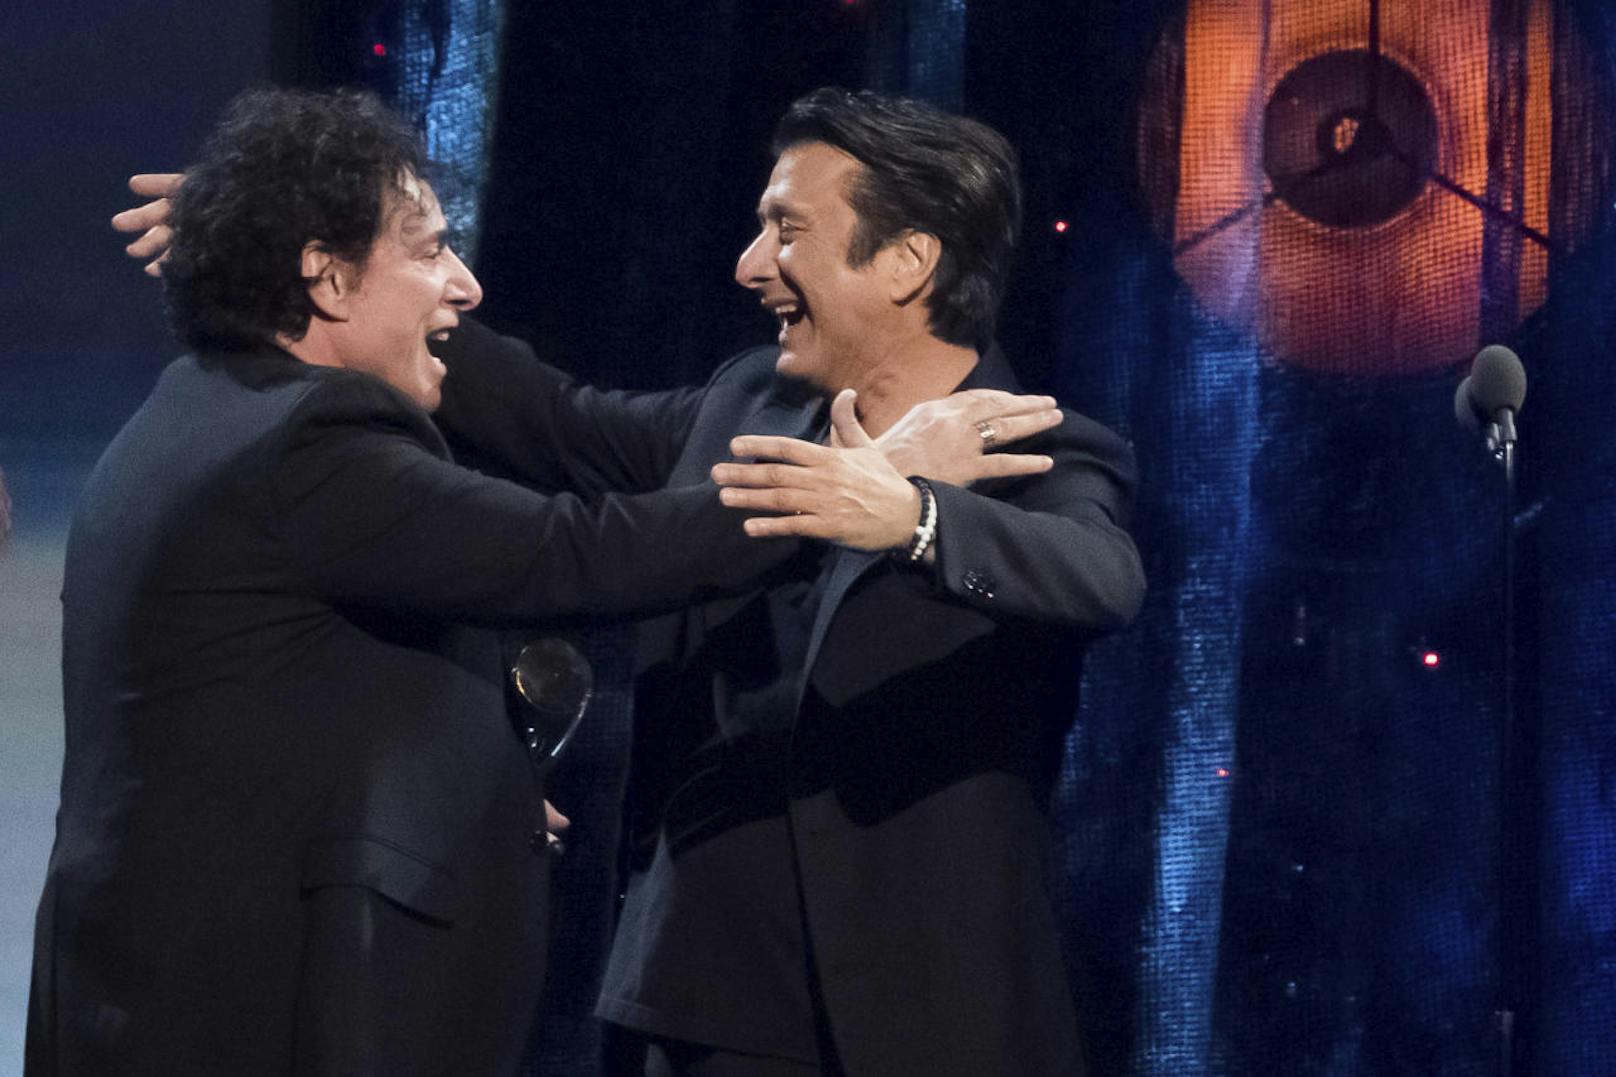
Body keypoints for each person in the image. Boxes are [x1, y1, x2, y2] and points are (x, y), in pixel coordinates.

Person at [42, 87, 1047, 1077]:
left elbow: (316, 678)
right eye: (431, 250)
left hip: (155, 983)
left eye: (784, 230)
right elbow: (573, 553)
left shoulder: (208, 408)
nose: (466, 284)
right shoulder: (313, 443)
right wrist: (863, 488)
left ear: (912, 260)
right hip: (247, 997)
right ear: (329, 281)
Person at [426, 90, 1145, 1076]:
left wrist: (913, 516)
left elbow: (1101, 575)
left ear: (907, 260)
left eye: (785, 229)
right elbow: (554, 421)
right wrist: (320, 260)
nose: (749, 265)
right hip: (699, 997)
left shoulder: (1030, 443)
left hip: (920, 1021)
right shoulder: (741, 403)